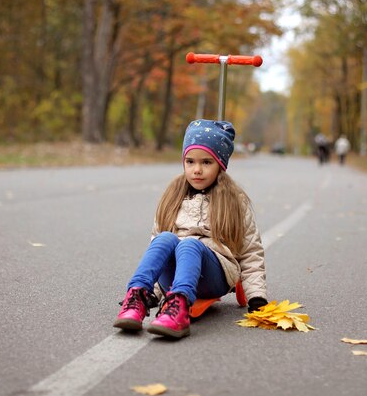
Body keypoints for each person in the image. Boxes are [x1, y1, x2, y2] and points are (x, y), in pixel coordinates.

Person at [113, 119, 268, 339]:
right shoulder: (172, 196)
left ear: (220, 164)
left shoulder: (235, 200)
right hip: (173, 276)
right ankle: (137, 298)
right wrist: (156, 293)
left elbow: (250, 250)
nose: (197, 170)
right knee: (165, 239)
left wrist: (256, 296)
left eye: (206, 162)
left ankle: (179, 308)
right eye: (190, 161)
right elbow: (157, 252)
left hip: (213, 275)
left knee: (189, 245)